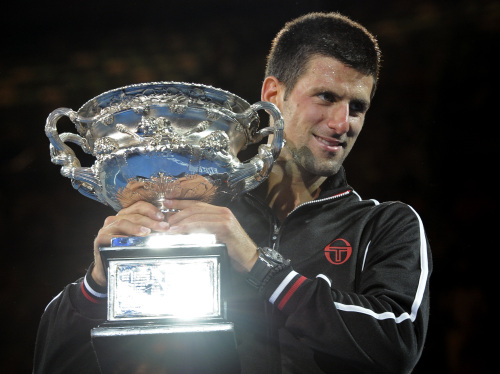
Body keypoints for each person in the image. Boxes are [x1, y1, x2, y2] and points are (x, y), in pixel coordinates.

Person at [34, 12, 432, 374]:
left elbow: (398, 343)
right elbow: (53, 363)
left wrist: (261, 268)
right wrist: (98, 286)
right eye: (326, 97)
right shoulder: (195, 209)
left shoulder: (384, 224)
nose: (342, 123)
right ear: (274, 96)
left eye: (357, 107)